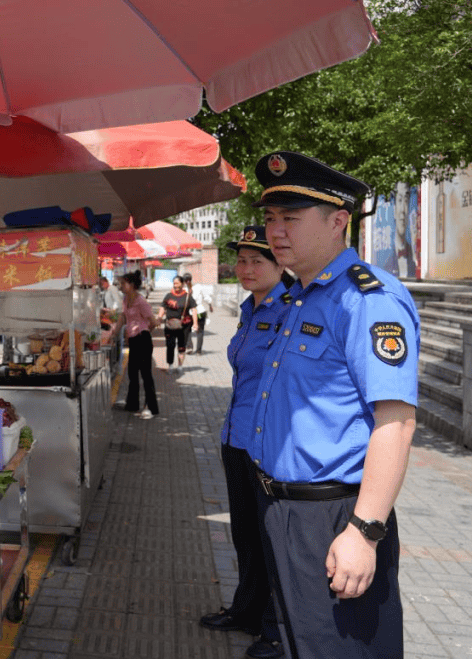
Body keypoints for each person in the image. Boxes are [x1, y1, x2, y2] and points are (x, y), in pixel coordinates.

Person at [248, 151, 419, 659]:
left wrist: (365, 532)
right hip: (282, 508)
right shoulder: (300, 296)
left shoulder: (367, 300)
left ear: (339, 220)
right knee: (303, 643)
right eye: (271, 219)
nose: (276, 232)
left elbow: (396, 421)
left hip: (333, 517)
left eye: (292, 220)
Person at [199, 226, 290, 659]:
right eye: (241, 261)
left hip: (269, 446)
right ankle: (246, 610)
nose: (246, 268)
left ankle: (275, 629)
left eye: (258, 261)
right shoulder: (249, 309)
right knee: (245, 535)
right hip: (236, 438)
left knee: (271, 538)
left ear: (279, 265)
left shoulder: (292, 310)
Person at [111, 271, 159, 417]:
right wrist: (115, 332)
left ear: (131, 285)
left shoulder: (140, 301)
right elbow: (123, 316)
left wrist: (144, 332)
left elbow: (154, 322)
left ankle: (151, 407)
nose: (120, 286)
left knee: (146, 374)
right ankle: (132, 404)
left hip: (142, 340)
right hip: (133, 340)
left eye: (123, 284)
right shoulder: (126, 299)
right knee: (132, 373)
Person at [157, 275, 196, 374]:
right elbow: (163, 307)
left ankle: (180, 366)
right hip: (170, 326)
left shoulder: (187, 296)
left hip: (184, 326)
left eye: (177, 283)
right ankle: (170, 365)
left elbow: (194, 310)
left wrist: (195, 323)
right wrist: (159, 318)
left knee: (182, 347)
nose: (175, 285)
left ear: (182, 284)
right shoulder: (168, 296)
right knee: (170, 345)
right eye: (174, 283)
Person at [190, 278, 214, 354]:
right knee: (200, 332)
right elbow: (206, 298)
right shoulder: (199, 287)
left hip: (190, 312)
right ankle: (198, 351)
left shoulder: (184, 289)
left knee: (187, 330)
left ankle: (189, 347)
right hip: (200, 311)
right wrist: (210, 305)